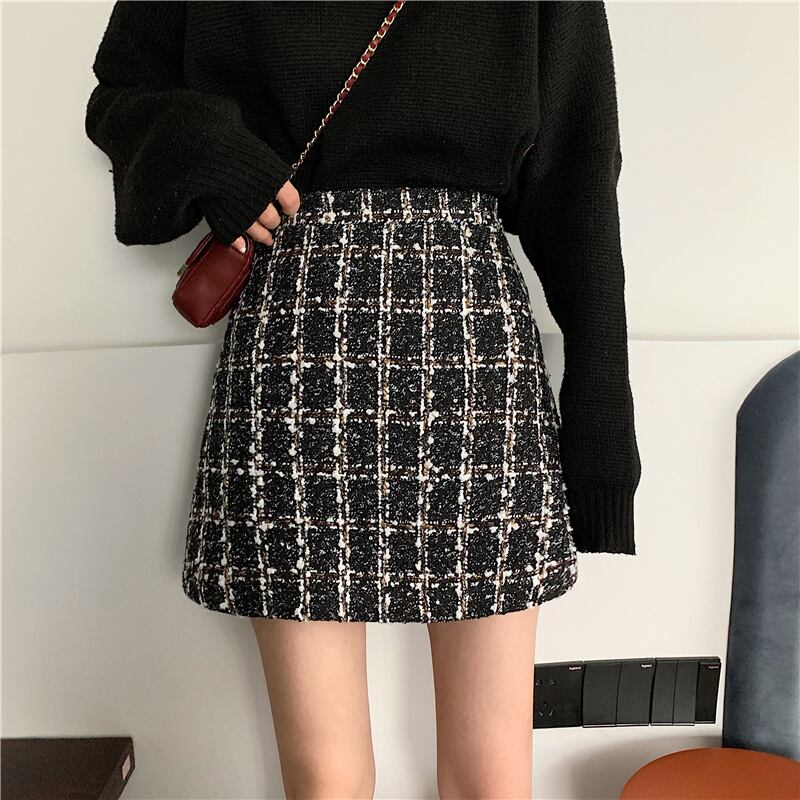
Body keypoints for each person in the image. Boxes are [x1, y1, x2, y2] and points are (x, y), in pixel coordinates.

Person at [85, 2, 642, 797]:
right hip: (297, 338)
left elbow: (580, 180)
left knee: (491, 776)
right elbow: (121, 92)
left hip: (473, 350)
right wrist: (213, 151)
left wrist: (602, 423)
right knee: (327, 780)